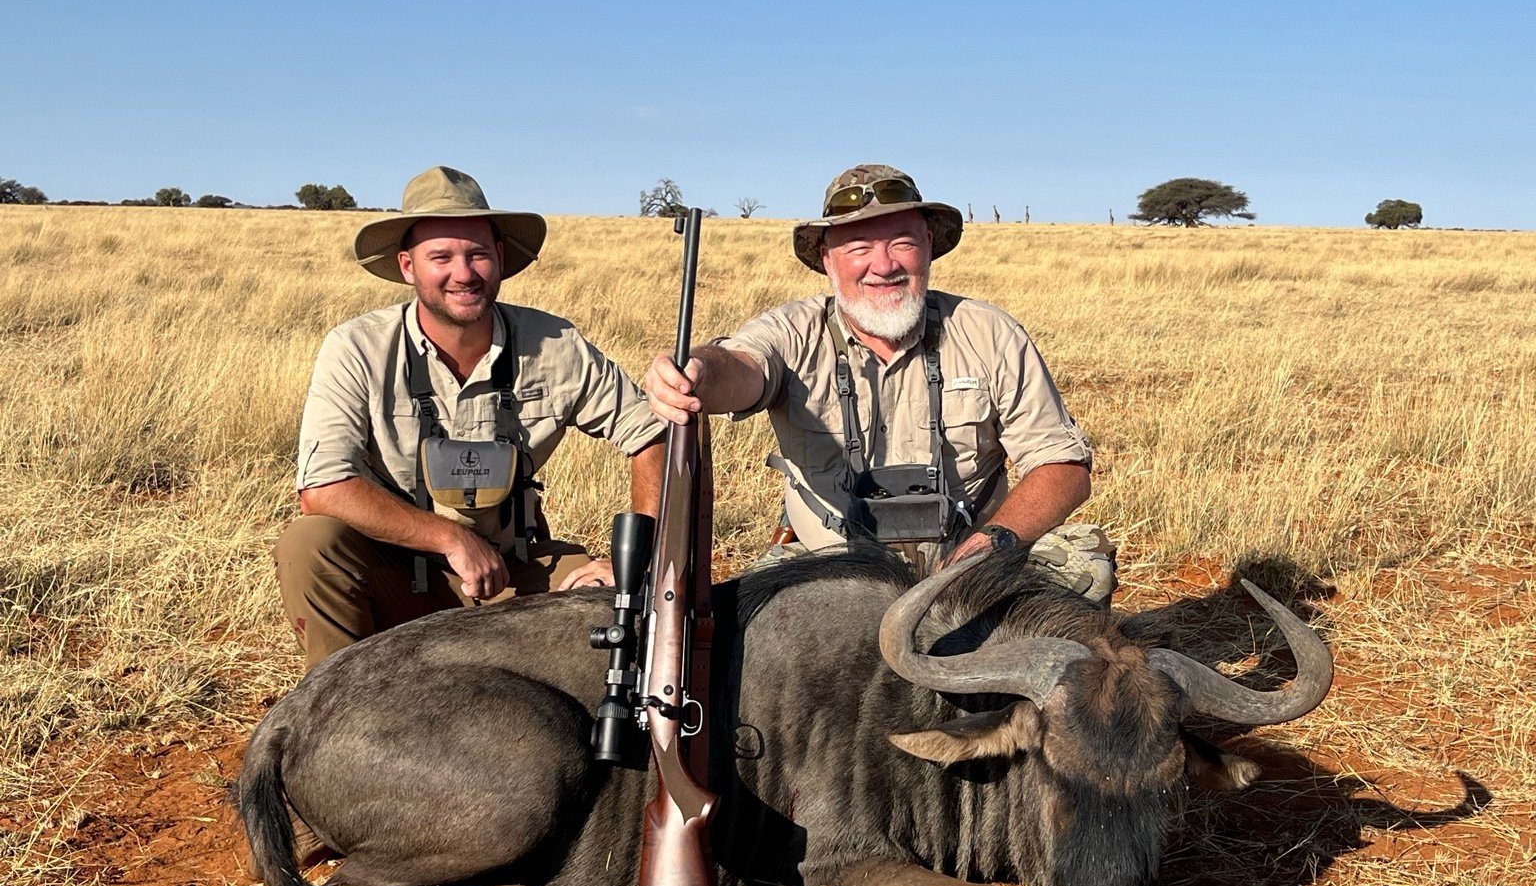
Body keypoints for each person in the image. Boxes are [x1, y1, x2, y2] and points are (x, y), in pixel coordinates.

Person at [645, 164, 1113, 595]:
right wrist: (700, 372)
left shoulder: (990, 332)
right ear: (827, 259)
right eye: (859, 248)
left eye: (902, 242)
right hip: (826, 566)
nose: (884, 265)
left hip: (970, 567)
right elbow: (742, 368)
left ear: (929, 245)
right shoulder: (791, 330)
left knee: (1084, 568)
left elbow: (1063, 468)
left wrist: (991, 545)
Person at [276, 166, 665, 669]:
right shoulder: (356, 347)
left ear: (500, 258)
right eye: (441, 256)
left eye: (477, 254)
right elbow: (324, 486)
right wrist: (451, 538)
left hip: (515, 571)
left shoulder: (555, 343)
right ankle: (333, 704)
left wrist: (624, 563)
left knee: (624, 610)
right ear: (408, 266)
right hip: (395, 572)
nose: (463, 273)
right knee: (309, 544)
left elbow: (654, 433)